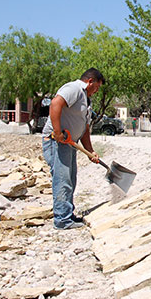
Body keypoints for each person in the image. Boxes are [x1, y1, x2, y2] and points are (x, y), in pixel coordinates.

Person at [42, 68, 105, 230]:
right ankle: (62, 219)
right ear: (90, 81)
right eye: (96, 87)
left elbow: (84, 129)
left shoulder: (86, 99)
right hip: (57, 141)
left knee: (70, 178)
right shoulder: (74, 89)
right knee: (62, 179)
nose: (96, 91)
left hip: (69, 142)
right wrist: (57, 132)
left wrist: (90, 151)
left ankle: (67, 214)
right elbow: (55, 104)